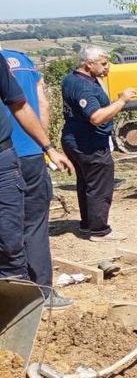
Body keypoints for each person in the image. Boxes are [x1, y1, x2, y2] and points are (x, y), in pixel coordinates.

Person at [1, 49, 74, 309]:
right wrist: (46, 146)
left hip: (7, 155)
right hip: (28, 152)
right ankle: (42, 293)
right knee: (34, 225)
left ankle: (17, 297)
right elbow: (41, 104)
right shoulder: (25, 62)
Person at [61, 46, 137, 242]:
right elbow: (96, 117)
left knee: (86, 183)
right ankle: (99, 231)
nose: (107, 68)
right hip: (89, 143)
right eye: (103, 64)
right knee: (100, 185)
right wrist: (121, 101)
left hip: (74, 139)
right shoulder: (84, 86)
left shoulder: (71, 79)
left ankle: (87, 224)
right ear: (88, 64)